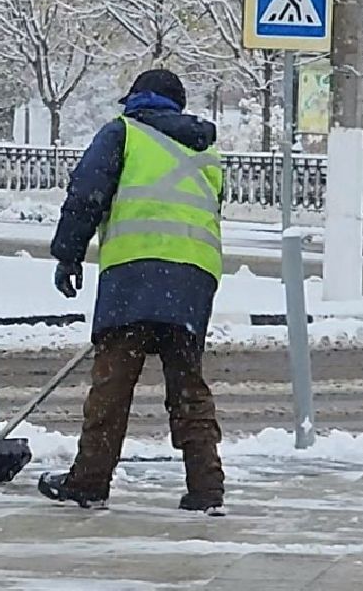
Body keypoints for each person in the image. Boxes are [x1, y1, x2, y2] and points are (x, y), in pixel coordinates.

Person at [37, 68, 226, 514]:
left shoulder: (122, 133)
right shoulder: (207, 148)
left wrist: (68, 253)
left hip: (133, 275)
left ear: (139, 99)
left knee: (113, 386)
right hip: (193, 280)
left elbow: (87, 192)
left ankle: (89, 482)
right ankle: (206, 487)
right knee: (188, 389)